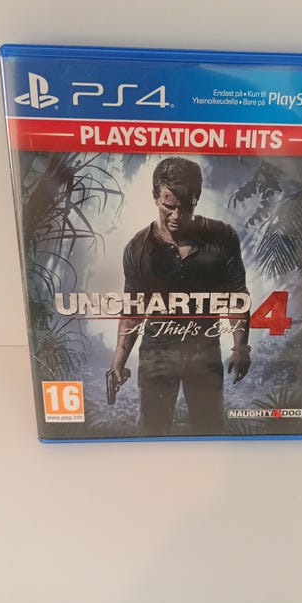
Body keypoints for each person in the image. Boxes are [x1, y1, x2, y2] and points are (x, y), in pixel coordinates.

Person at [111, 157, 250, 435]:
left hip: (204, 351)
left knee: (209, 429)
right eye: (169, 206)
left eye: (185, 207)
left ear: (196, 199)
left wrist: (241, 347)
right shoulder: (138, 248)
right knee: (152, 430)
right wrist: (119, 359)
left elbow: (237, 296)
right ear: (155, 197)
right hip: (156, 353)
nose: (176, 216)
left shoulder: (222, 237)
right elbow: (133, 309)